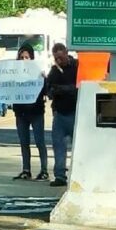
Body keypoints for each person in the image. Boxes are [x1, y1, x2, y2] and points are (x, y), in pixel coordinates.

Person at [12, 44, 49, 182]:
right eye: (21, 57)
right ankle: (26, 170)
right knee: (24, 142)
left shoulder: (38, 73)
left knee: (40, 142)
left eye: (27, 57)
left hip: (36, 112)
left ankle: (44, 170)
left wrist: (45, 79)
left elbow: (46, 91)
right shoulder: (14, 74)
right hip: (20, 113)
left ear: (32, 58)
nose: (24, 59)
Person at [46, 42, 79, 187]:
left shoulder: (77, 66)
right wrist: (54, 90)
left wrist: (63, 89)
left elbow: (78, 87)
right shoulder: (54, 71)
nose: (59, 61)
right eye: (56, 58)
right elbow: (49, 90)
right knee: (58, 146)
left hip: (74, 111)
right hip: (59, 112)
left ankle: (78, 174)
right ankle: (60, 175)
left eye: (60, 57)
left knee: (78, 146)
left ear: (66, 53)